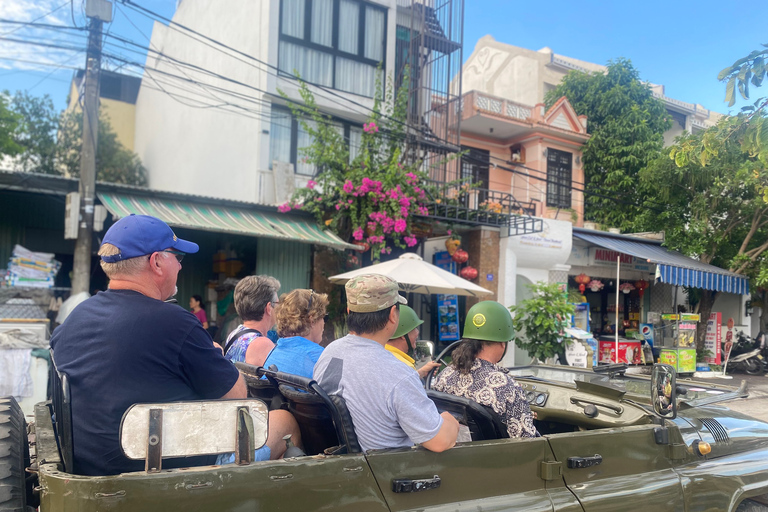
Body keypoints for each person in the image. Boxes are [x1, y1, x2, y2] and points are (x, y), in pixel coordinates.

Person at [50, 214, 300, 476]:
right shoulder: (176, 323)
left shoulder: (75, 317)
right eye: (177, 258)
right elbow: (236, 394)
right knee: (285, 420)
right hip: (163, 474)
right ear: (156, 262)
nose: (180, 267)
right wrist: (218, 357)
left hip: (84, 470)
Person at [313, 274, 459, 453]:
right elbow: (440, 442)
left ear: (350, 312)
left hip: (341, 461)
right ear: (392, 315)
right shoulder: (398, 373)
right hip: (387, 472)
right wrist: (450, 419)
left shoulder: (330, 352)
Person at [433, 300, 539, 439]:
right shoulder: (507, 387)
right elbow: (528, 442)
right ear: (503, 343)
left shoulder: (446, 374)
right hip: (495, 459)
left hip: (449, 454)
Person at [262, 289, 327, 378]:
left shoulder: (274, 352)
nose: (324, 323)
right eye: (323, 317)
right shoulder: (320, 357)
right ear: (312, 321)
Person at [224, 275, 280, 367]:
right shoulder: (263, 345)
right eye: (277, 303)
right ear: (269, 308)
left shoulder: (235, 333)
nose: (279, 307)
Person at [386, 305, 440, 379]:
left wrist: (422, 372)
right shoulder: (404, 366)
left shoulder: (381, 355)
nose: (417, 332)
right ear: (403, 334)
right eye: (414, 328)